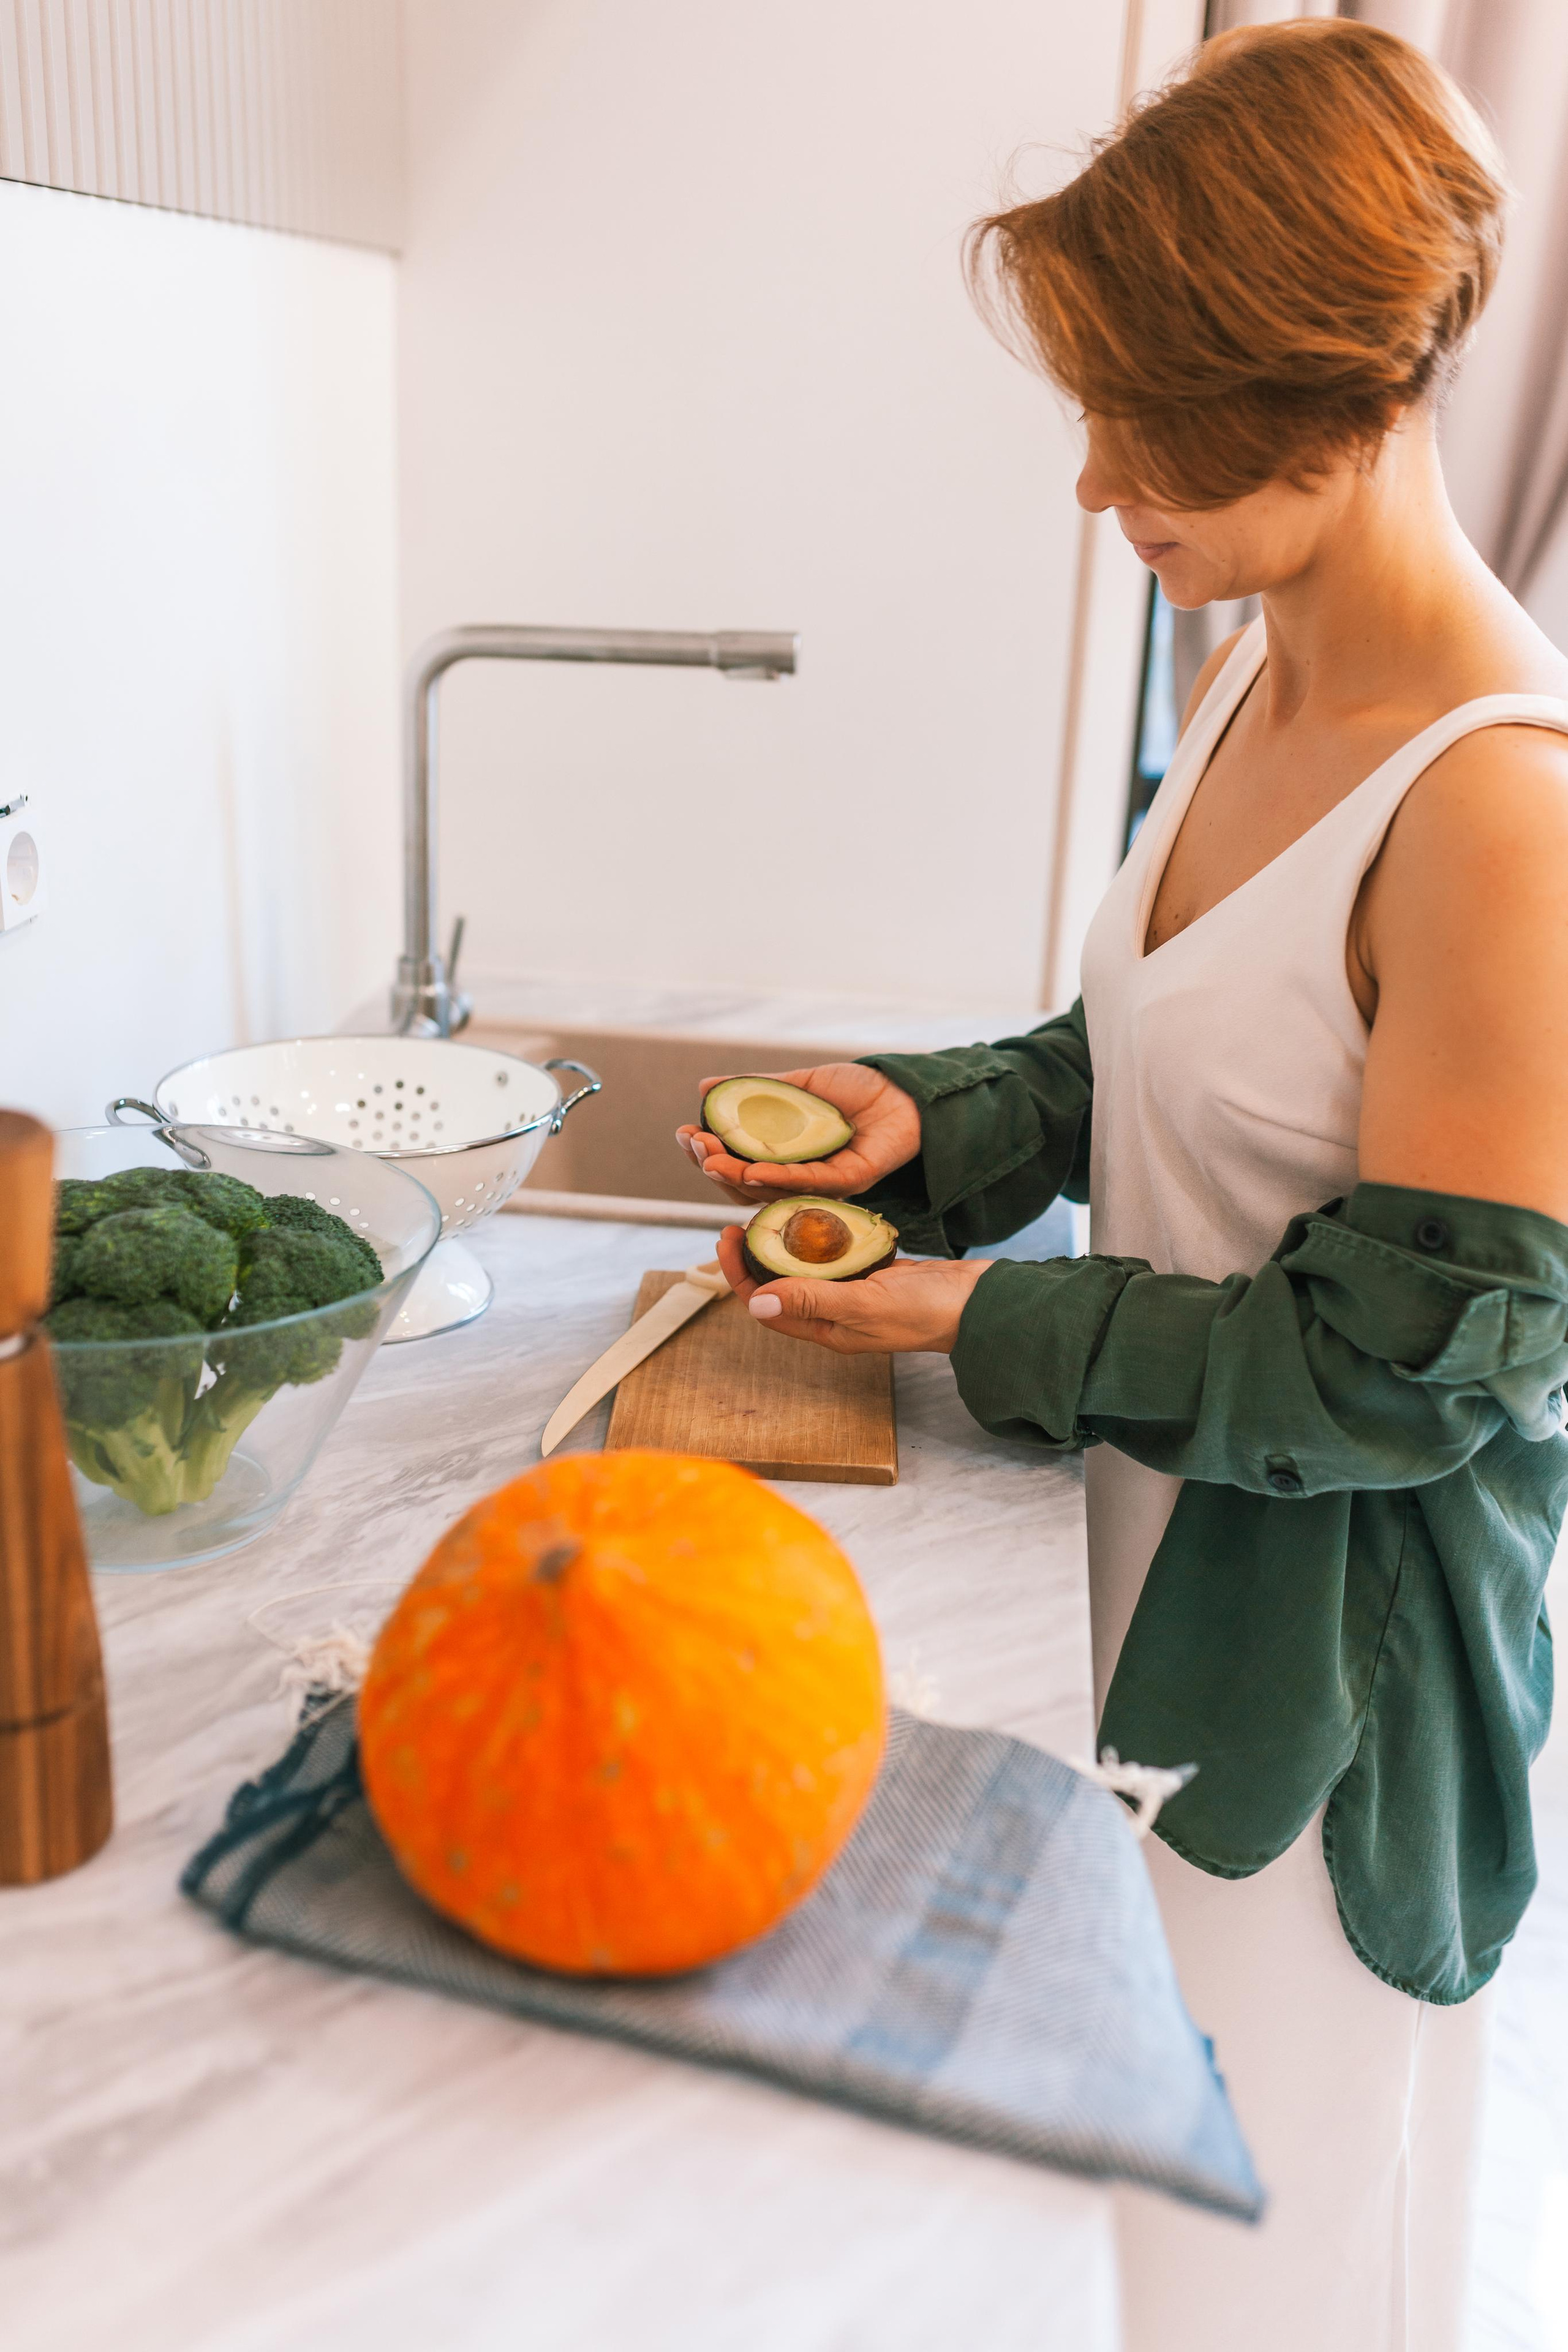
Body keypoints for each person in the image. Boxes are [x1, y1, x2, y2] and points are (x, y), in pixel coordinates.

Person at [676, 22, 1568, 2351]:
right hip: (1165, 1562)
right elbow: (1167, 1061)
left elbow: (1404, 1366)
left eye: (1138, 420)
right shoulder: (1261, 678)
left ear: (1321, 390)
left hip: (1334, 1669)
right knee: (1149, 2227)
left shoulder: (1506, 816)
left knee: (1276, 2247)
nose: (1092, 487)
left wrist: (978, 1323)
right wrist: (939, 1128)